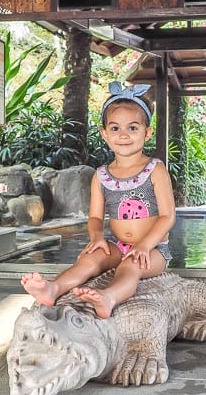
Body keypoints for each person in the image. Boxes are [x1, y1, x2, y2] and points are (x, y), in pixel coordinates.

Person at [21, 81, 176, 319]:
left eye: (133, 128)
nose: (123, 135)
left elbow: (168, 216)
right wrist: (97, 238)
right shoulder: (101, 175)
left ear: (147, 132)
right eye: (115, 128)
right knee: (89, 260)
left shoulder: (154, 169)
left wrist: (144, 246)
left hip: (154, 249)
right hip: (117, 243)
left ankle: (109, 297)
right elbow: (95, 216)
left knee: (131, 265)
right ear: (104, 134)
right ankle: (53, 289)